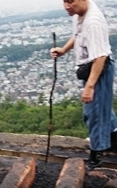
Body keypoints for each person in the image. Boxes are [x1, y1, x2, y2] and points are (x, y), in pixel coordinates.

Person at [50, 0, 117, 170]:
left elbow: (100, 57)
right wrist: (64, 49)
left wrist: (90, 87)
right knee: (103, 109)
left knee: (93, 113)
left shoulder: (93, 21)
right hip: (92, 69)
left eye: (70, 1)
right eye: (64, 1)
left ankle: (96, 154)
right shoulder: (80, 14)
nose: (66, 6)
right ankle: (113, 141)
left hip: (98, 70)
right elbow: (79, 35)